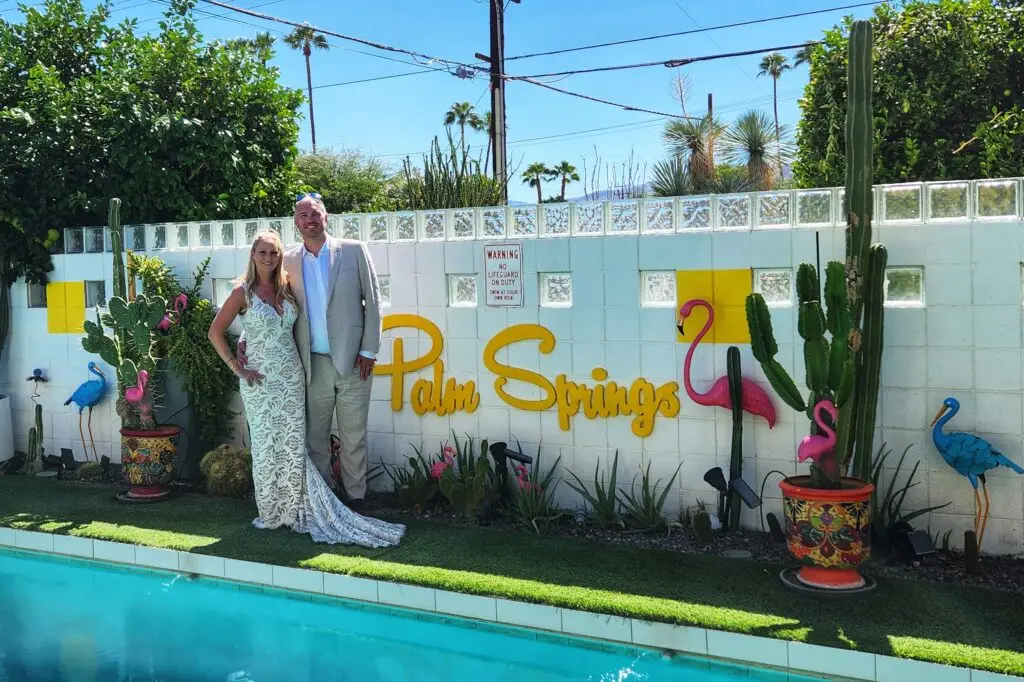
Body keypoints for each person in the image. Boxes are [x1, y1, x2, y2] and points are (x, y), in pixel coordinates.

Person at [207, 229, 404, 548]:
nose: (269, 258)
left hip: (293, 377)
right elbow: (215, 332)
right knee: (267, 447)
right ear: (252, 255)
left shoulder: (287, 289)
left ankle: (299, 505)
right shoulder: (242, 292)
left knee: (293, 445)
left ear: (280, 256)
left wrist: (246, 338)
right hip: (260, 381)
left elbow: (299, 322)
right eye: (262, 252)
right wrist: (237, 365)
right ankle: (273, 510)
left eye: (274, 252)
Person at [237, 192, 383, 511]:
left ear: (326, 216)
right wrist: (245, 337)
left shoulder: (354, 251)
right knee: (316, 437)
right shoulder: (287, 260)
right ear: (296, 223)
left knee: (354, 435)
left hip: (353, 361)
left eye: (315, 213)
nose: (310, 220)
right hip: (310, 365)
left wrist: (369, 351)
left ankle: (357, 498)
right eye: (303, 215)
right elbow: (270, 305)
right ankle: (324, 500)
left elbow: (373, 303)